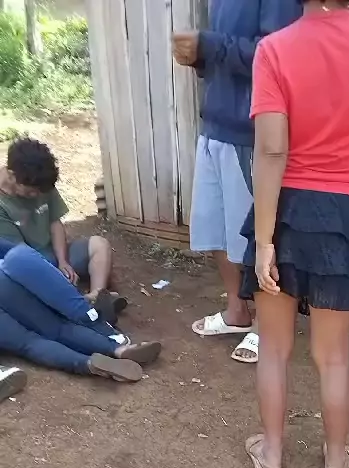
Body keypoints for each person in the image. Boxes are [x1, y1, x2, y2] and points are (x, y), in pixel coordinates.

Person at [241, 0, 349, 468]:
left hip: (283, 210)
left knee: (274, 348)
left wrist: (265, 242)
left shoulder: (274, 49)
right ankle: (336, 462)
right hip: (345, 217)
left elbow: (272, 148)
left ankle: (272, 452)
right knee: (332, 356)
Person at [173, 0, 301, 365]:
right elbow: (225, 50)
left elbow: (277, 54)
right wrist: (199, 56)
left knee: (255, 235)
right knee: (215, 229)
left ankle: (267, 325)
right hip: (215, 123)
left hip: (251, 131)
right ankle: (237, 311)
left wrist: (208, 45)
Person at [0, 137, 126, 325]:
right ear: (11, 176)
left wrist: (63, 261)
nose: (37, 195)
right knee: (30, 288)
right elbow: (20, 255)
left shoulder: (40, 180)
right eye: (31, 192)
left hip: (53, 252)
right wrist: (52, 274)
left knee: (100, 245)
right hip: (28, 264)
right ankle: (81, 306)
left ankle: (96, 296)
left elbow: (55, 222)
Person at [0, 242, 161, 382]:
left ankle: (87, 364)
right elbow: (13, 250)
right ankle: (117, 345)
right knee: (68, 316)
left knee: (30, 342)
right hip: (14, 267)